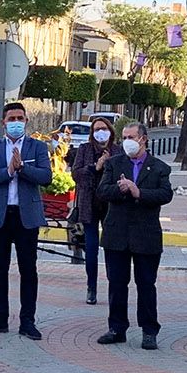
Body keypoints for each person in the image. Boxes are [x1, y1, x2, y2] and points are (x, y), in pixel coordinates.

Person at [0, 101, 53, 340]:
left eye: (20, 118)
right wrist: (8, 172)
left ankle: (27, 321)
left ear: (26, 121)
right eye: (12, 119)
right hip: (0, 215)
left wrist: (22, 169)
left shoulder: (37, 147)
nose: (16, 123)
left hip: (25, 216)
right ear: (3, 122)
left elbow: (46, 176)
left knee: (28, 269)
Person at [95, 121, 173, 349]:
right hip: (117, 234)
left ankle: (149, 330)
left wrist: (139, 192)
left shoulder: (159, 167)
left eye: (131, 137)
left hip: (145, 235)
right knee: (117, 283)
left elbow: (165, 194)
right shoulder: (113, 164)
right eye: (124, 137)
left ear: (143, 139)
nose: (127, 141)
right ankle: (117, 328)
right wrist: (120, 189)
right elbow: (102, 191)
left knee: (146, 284)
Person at [68, 118, 116, 304]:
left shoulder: (117, 150)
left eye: (104, 129)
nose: (100, 132)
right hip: (89, 204)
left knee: (112, 249)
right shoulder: (85, 150)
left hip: (111, 205)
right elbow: (76, 174)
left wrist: (108, 164)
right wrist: (95, 167)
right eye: (97, 129)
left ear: (110, 131)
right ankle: (91, 287)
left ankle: (114, 287)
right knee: (91, 249)